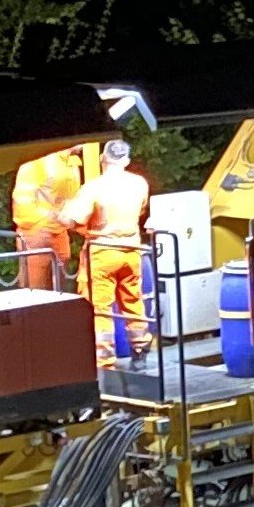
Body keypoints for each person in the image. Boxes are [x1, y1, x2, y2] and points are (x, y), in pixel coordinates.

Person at [74, 140, 157, 361]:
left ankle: (104, 362)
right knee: (133, 301)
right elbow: (140, 211)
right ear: (127, 161)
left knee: (100, 307)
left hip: (103, 252)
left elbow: (73, 219)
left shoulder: (94, 187)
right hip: (131, 251)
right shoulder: (139, 183)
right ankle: (140, 351)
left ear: (103, 158)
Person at [11, 142, 94, 291]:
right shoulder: (38, 159)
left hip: (59, 231)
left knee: (59, 288)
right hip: (36, 231)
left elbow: (71, 197)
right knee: (35, 289)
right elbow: (23, 199)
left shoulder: (71, 161)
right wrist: (47, 219)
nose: (84, 146)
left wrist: (72, 221)